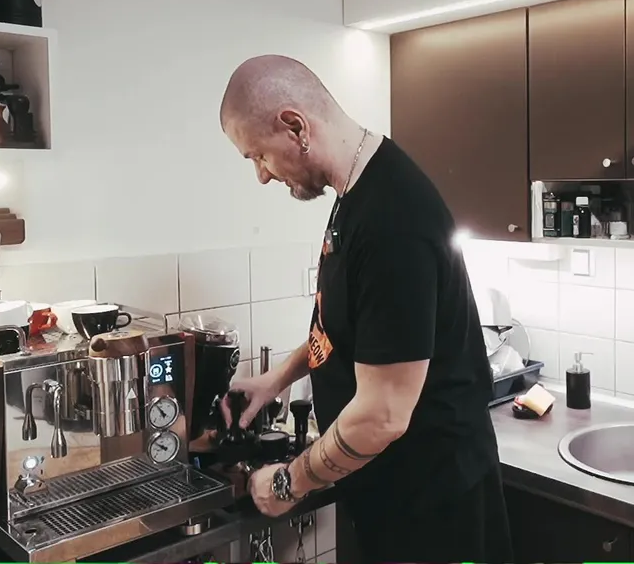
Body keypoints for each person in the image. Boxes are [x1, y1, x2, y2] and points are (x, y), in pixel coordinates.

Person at [217, 55, 513, 563]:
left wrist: (288, 482)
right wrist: (276, 379)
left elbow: (383, 416)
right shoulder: (354, 190)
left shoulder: (393, 219)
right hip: (392, 499)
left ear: (295, 127)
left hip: (436, 514)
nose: (262, 175)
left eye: (258, 156)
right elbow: (349, 328)